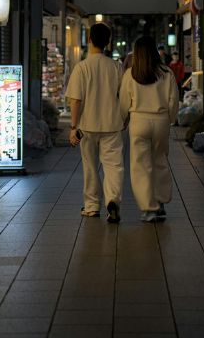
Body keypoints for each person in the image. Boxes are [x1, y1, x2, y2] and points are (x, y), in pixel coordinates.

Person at [65, 22, 125, 223]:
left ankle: (91, 206)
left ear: (89, 40)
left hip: (87, 126)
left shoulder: (81, 67)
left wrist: (73, 127)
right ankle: (113, 201)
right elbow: (123, 96)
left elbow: (76, 100)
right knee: (114, 166)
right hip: (112, 124)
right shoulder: (116, 66)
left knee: (90, 166)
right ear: (108, 43)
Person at [119, 35, 179, 222]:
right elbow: (174, 100)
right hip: (160, 120)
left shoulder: (131, 74)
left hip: (138, 121)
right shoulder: (166, 73)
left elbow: (123, 101)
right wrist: (169, 119)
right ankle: (160, 202)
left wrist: (124, 120)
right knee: (160, 161)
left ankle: (149, 208)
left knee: (140, 166)